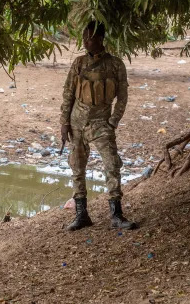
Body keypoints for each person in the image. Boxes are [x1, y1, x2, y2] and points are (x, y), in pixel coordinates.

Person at [60, 21, 137, 231]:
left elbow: (122, 97)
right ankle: (81, 214)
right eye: (83, 37)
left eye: (89, 38)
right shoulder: (78, 63)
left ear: (101, 39)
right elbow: (68, 94)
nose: (85, 42)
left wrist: (113, 121)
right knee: (77, 168)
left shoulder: (115, 65)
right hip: (77, 123)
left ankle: (116, 214)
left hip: (102, 123)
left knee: (112, 165)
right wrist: (64, 123)